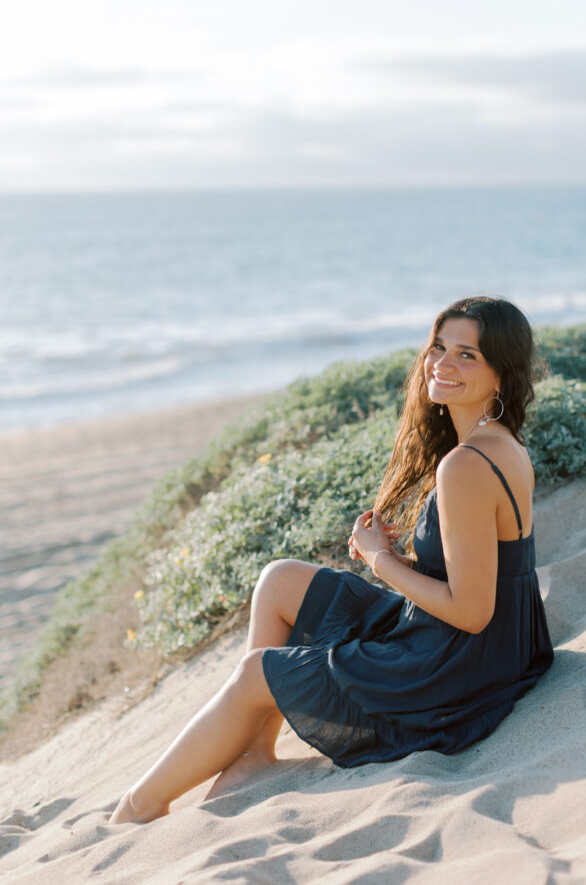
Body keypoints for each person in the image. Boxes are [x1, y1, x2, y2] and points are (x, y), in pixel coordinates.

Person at [110, 295, 553, 824]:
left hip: (457, 670)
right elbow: (486, 584)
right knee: (279, 581)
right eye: (439, 347)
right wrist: (391, 557)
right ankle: (252, 754)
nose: (442, 364)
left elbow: (473, 611)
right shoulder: (495, 443)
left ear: (501, 374)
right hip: (474, 643)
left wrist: (379, 560)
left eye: (467, 355)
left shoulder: (466, 465)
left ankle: (139, 806)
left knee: (257, 672)